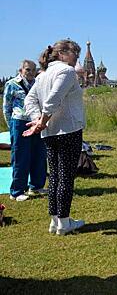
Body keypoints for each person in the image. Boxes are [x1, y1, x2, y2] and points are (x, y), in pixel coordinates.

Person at [24, 40, 86, 236]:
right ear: (61, 54)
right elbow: (53, 99)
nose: (76, 57)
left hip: (50, 132)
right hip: (68, 130)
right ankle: (64, 223)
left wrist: (37, 120)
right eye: (74, 53)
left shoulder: (42, 76)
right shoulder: (66, 72)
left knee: (56, 177)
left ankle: (55, 221)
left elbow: (30, 100)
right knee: (65, 177)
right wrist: (40, 121)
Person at [3, 60, 48, 201]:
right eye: (28, 69)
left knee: (39, 154)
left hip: (36, 121)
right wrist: (11, 125)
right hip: (19, 121)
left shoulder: (38, 83)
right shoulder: (12, 84)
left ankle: (36, 186)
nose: (31, 73)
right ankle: (16, 191)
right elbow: (7, 107)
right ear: (21, 70)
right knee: (20, 157)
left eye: (33, 70)